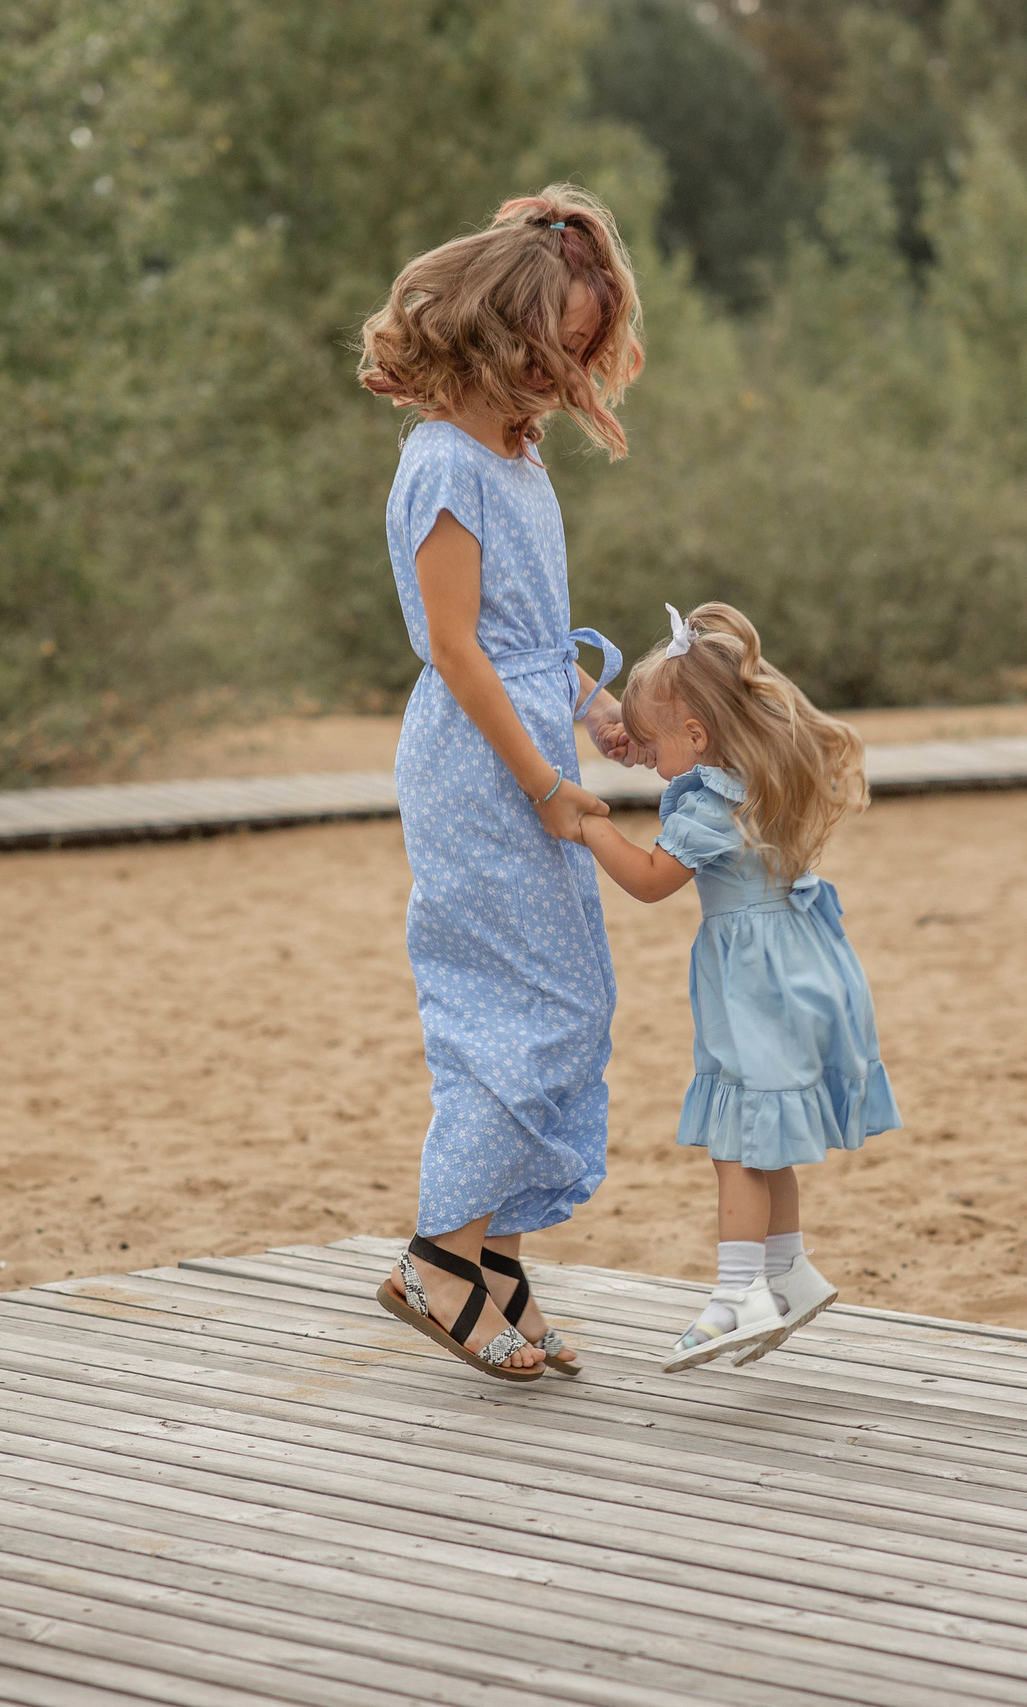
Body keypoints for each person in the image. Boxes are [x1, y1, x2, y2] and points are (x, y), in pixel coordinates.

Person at [357, 185, 646, 1381]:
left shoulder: (518, 462)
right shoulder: (441, 466)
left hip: (532, 748)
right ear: (492, 332)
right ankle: (436, 1259)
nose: (556, 383)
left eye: (576, 358)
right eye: (548, 354)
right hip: (481, 773)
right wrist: (543, 784)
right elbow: (459, 650)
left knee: (563, 1003)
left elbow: (535, 637)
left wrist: (598, 712)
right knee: (509, 1014)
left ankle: (497, 1263)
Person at [577, 602, 900, 1371]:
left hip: (757, 978)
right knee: (765, 1129)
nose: (647, 758)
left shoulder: (710, 802)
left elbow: (654, 880)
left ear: (696, 734)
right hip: (788, 964)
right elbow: (672, 773)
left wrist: (588, 827)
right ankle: (786, 1270)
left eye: (655, 743)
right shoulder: (742, 778)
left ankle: (736, 1294)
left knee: (737, 1142)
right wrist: (639, 730)